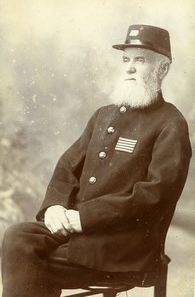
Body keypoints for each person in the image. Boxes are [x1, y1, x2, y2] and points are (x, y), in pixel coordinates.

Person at [1, 24, 192, 297]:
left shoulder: (170, 123)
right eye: (126, 60)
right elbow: (68, 165)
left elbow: (155, 196)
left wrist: (85, 218)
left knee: (28, 261)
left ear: (162, 70)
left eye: (140, 60)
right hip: (80, 230)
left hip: (123, 245)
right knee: (19, 236)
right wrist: (55, 207)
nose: (129, 68)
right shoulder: (104, 115)